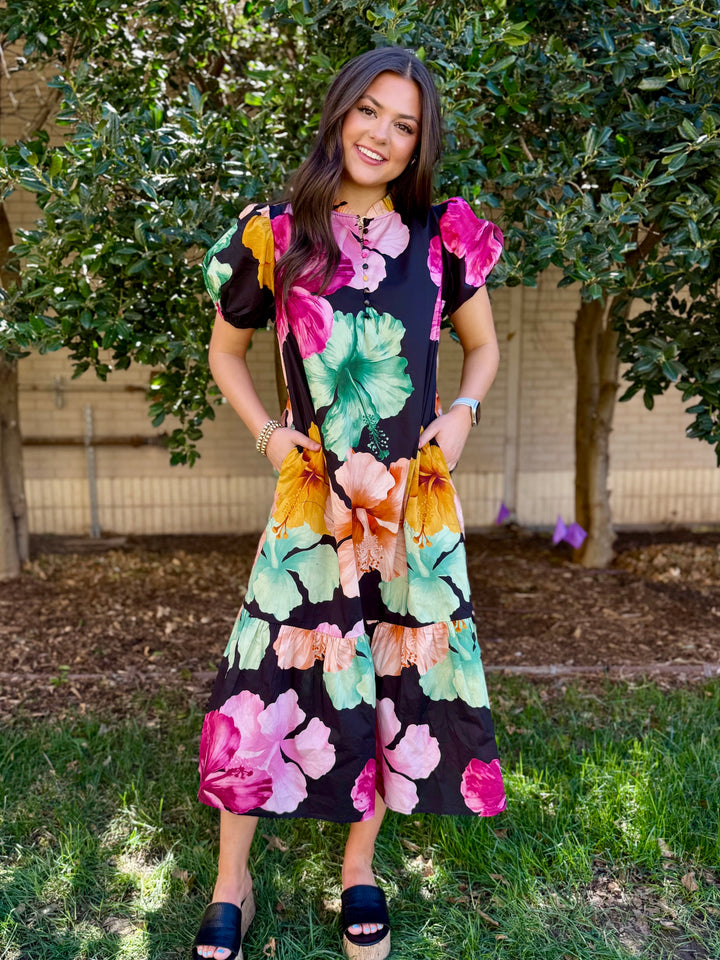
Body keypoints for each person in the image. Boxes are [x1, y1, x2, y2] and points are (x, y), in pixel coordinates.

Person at [193, 46, 507, 960]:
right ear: (340, 112)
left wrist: (461, 415)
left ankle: (358, 871)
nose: (381, 134)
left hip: (412, 509)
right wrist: (269, 434)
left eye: (404, 125)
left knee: (392, 683)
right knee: (261, 675)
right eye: (370, 111)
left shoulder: (445, 235)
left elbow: (481, 350)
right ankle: (231, 884)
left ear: (420, 144)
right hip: (309, 508)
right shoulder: (275, 235)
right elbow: (226, 353)